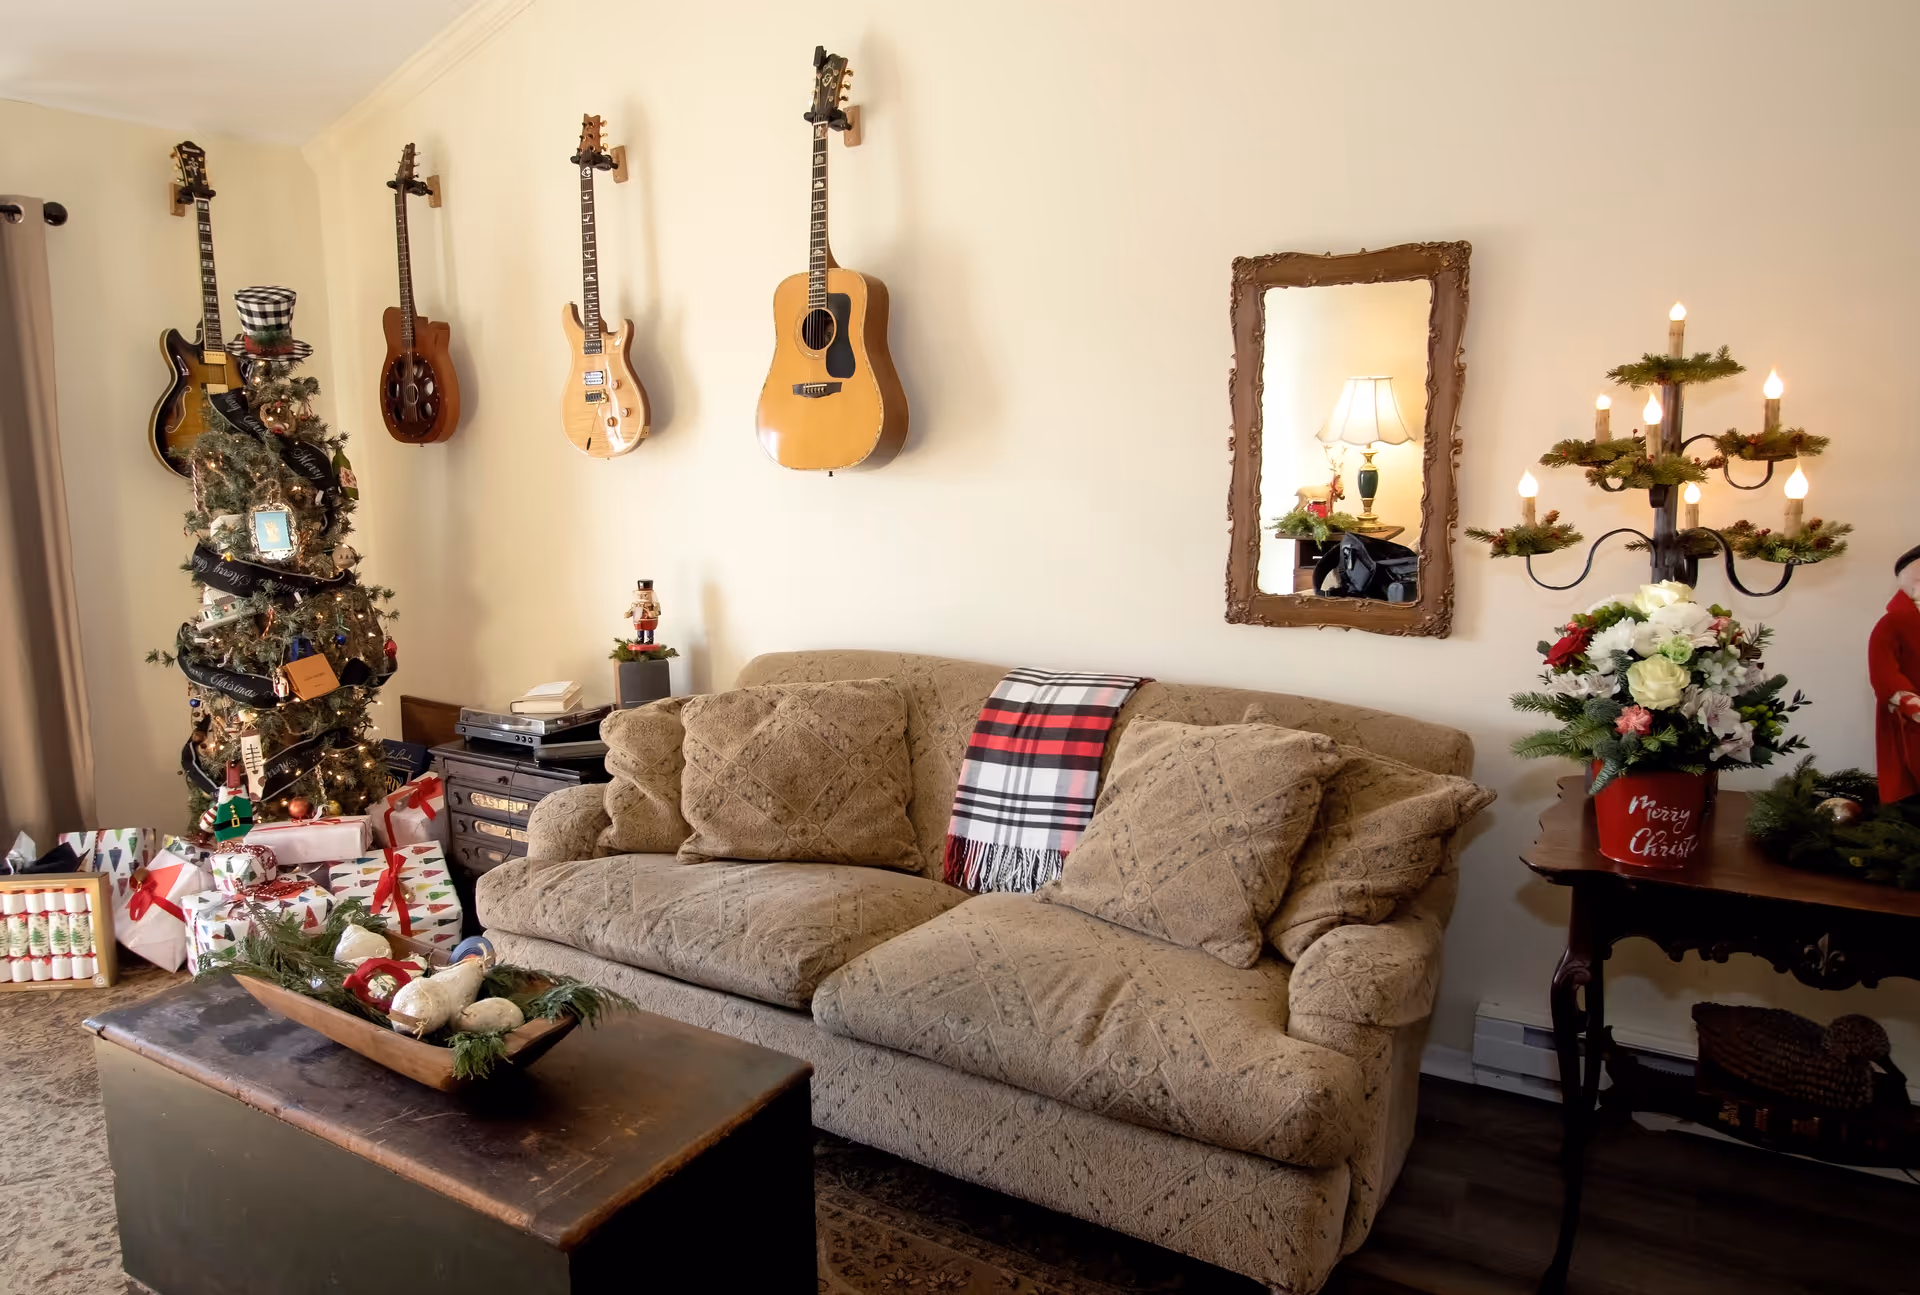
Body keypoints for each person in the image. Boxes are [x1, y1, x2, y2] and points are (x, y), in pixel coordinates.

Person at [1867, 544, 1920, 803]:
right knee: (1910, 761)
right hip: (1910, 718)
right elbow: (1883, 671)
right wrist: (1907, 700)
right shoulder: (1891, 624)